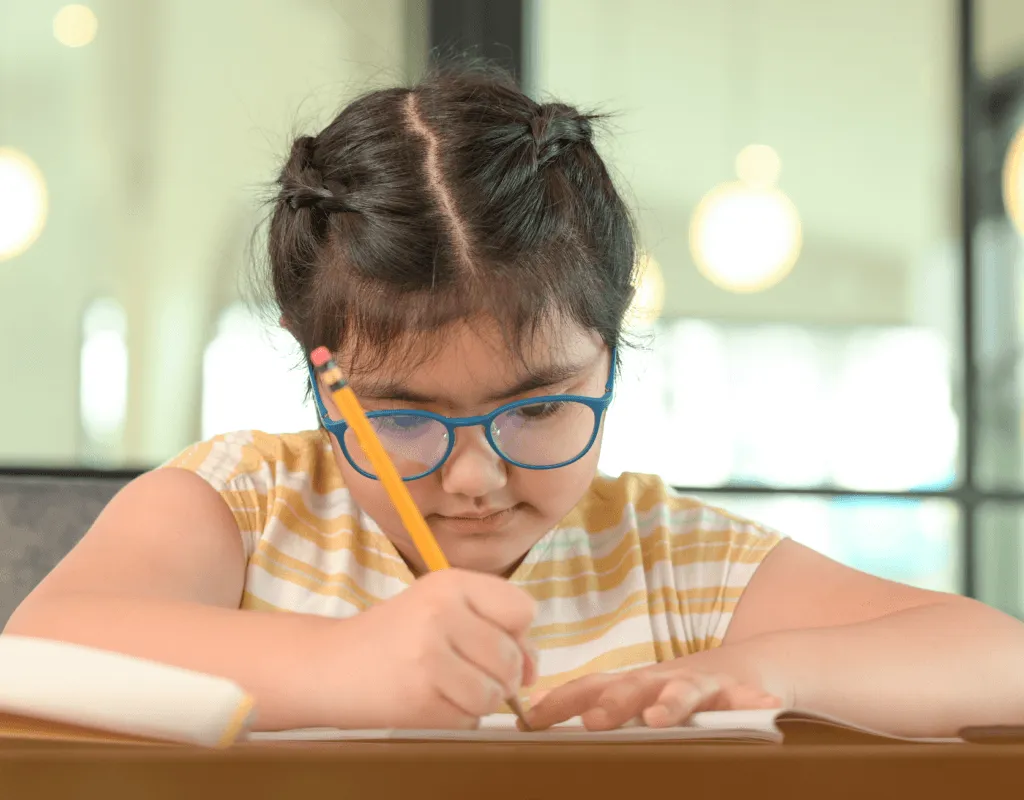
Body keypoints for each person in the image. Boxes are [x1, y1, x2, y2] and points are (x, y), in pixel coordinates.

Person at [7, 63, 1024, 737]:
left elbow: (1000, 657)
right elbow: (37, 651)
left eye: (538, 408)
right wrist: (341, 664)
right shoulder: (241, 503)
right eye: (401, 415)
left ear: (612, 348)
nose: (476, 477)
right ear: (319, 373)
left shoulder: (668, 561)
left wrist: (760, 671)